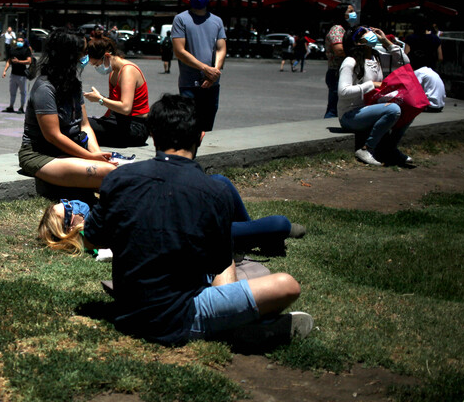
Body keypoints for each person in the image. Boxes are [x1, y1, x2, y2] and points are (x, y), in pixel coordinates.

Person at [83, 94, 313, 347]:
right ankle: (232, 327)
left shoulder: (119, 178)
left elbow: (91, 238)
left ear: (152, 136)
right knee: (285, 284)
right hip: (179, 317)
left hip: (128, 308)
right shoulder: (214, 192)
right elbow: (218, 264)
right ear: (201, 137)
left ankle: (236, 324)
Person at [38, 177, 305, 256]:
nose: (72, 203)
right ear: (69, 228)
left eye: (65, 201)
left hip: (177, 212)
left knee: (220, 181)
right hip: (185, 231)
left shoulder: (97, 211)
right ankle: (258, 236)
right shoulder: (92, 235)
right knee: (280, 223)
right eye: (68, 209)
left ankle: (249, 238)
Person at [18, 28, 117, 189]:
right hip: (41, 154)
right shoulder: (45, 87)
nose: (86, 56)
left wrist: (97, 154)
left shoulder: (73, 83)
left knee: (112, 168)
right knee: (107, 173)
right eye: (83, 51)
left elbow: (84, 125)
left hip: (71, 150)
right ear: (68, 55)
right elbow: (53, 136)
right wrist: (90, 157)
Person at [337, 26, 413, 166]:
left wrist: (386, 42)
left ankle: (390, 149)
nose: (371, 33)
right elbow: (343, 91)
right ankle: (367, 149)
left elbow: (405, 62)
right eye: (365, 31)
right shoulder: (350, 61)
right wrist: (371, 84)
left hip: (370, 109)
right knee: (393, 109)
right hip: (350, 116)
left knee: (409, 107)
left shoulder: (377, 56)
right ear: (358, 41)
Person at [171, 0, 227, 131]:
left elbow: (221, 49)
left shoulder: (217, 21)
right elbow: (179, 51)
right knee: (188, 127)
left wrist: (214, 72)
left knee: (207, 128)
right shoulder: (181, 19)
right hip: (189, 85)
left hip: (212, 84)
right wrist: (205, 68)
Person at [82, 36, 150, 148]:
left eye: (97, 65)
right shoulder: (114, 72)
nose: (97, 68)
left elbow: (125, 108)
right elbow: (114, 105)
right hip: (119, 121)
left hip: (135, 127)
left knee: (85, 125)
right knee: (84, 122)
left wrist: (100, 99)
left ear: (107, 56)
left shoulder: (128, 71)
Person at [324, 4, 357, 118]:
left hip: (344, 72)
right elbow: (339, 50)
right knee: (334, 108)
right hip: (337, 72)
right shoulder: (337, 29)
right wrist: (357, 52)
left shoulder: (346, 29)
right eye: (350, 11)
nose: (354, 13)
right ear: (342, 14)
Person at [2, 34, 31, 113]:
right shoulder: (12, 50)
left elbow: (29, 61)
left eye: (21, 41)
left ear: (24, 42)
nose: (19, 42)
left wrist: (19, 62)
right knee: (12, 91)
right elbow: (9, 61)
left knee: (23, 92)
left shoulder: (26, 50)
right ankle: (11, 106)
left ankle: (21, 107)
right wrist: (5, 70)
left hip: (22, 75)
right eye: (18, 41)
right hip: (13, 74)